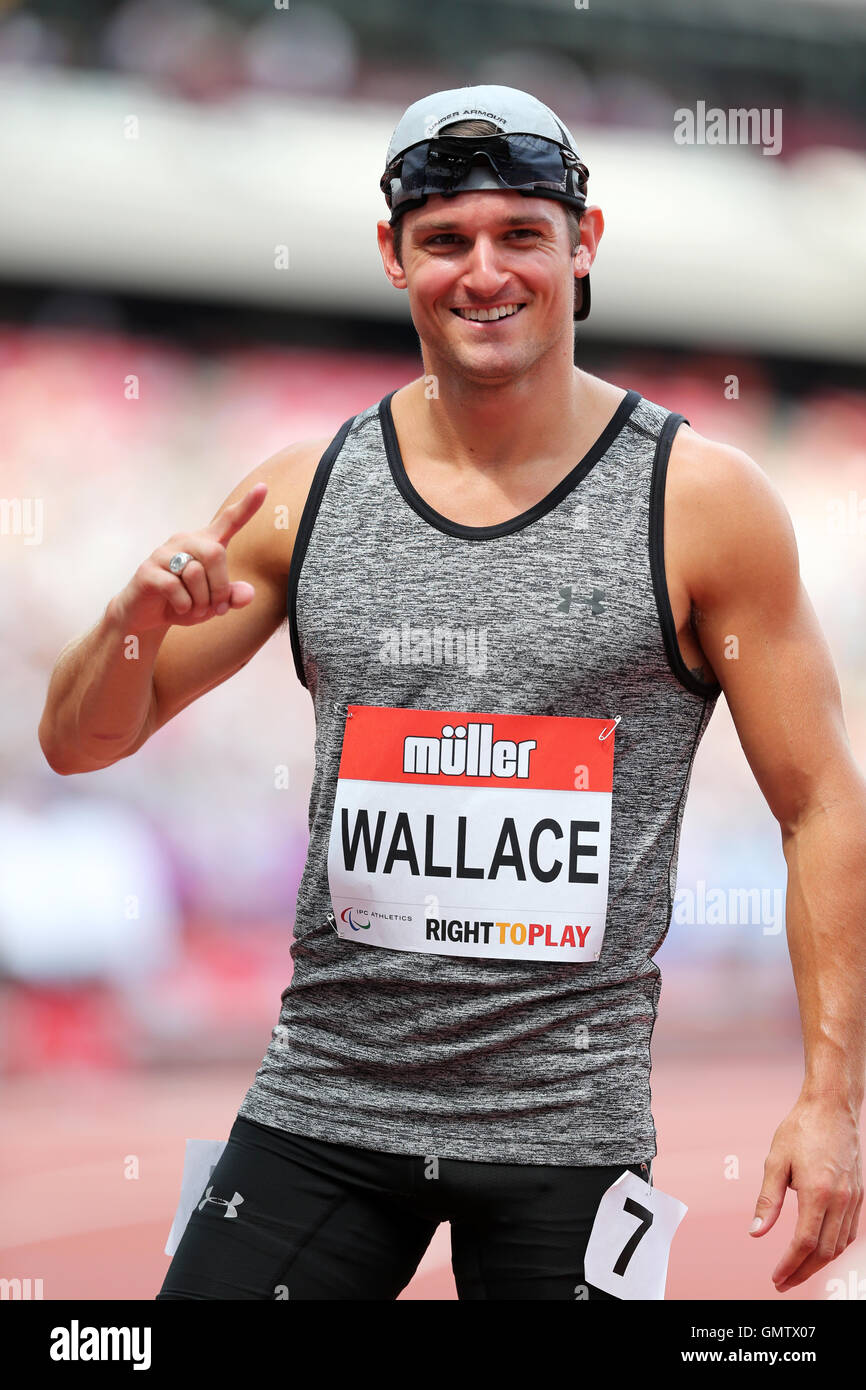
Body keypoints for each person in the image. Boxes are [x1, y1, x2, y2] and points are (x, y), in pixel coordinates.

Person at [38, 84, 865, 1302]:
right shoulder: (300, 494)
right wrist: (125, 624)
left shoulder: (700, 504)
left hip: (567, 1136)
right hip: (324, 1101)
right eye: (445, 241)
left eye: (520, 234)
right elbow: (77, 744)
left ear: (582, 244)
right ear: (393, 256)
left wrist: (831, 1100)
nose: (484, 272)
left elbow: (819, 806)